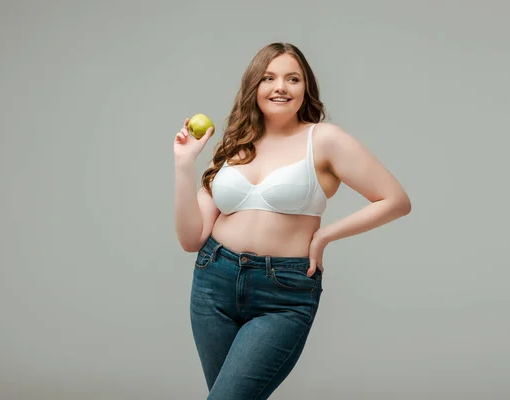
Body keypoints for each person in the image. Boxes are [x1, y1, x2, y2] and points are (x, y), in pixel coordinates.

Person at [173, 42, 411, 399]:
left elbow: (395, 200)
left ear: (306, 89)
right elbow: (191, 239)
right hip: (213, 282)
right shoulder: (234, 144)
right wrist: (183, 164)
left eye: (292, 78)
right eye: (269, 78)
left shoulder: (325, 140)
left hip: (282, 293)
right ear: (254, 87)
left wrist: (324, 236)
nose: (280, 86)